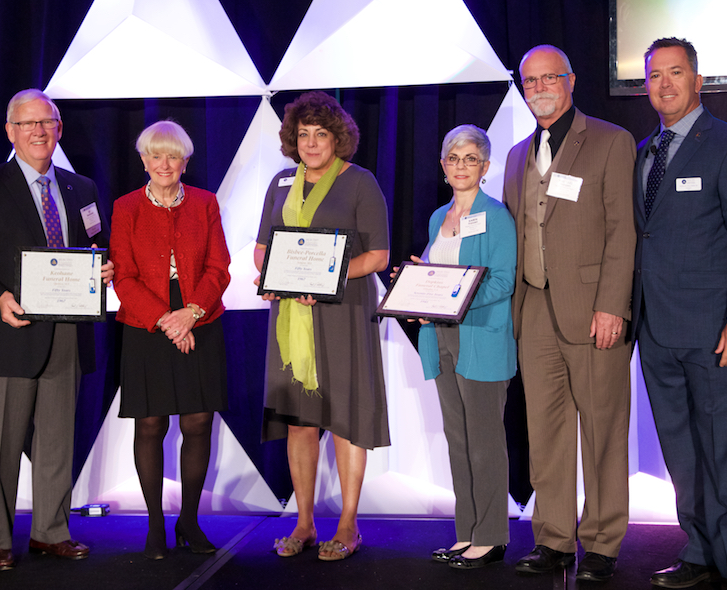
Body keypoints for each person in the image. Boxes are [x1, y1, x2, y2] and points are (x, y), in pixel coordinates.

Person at [0, 88, 114, 570]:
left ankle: (50, 532)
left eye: (47, 122)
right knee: (0, 447)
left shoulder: (83, 189)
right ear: (10, 132)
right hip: (6, 333)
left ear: (59, 129)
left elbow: (99, 247)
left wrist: (104, 269)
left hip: (67, 334)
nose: (38, 131)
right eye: (27, 123)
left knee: (58, 441)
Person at [634, 38, 727, 590]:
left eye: (676, 72)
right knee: (682, 452)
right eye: (655, 75)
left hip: (714, 329)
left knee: (723, 450)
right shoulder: (645, 150)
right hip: (655, 329)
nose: (665, 84)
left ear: (698, 79)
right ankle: (698, 551)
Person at [502, 45, 636, 582]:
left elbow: (623, 230)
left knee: (602, 429)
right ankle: (554, 538)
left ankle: (602, 543)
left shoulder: (609, 140)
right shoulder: (515, 156)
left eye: (549, 78)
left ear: (572, 80)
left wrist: (612, 306)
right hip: (533, 308)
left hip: (593, 311)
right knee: (547, 430)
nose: (539, 88)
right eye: (530, 81)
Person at [254, 91, 390, 561]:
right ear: (293, 138)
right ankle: (305, 522)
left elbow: (378, 255)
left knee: (348, 419)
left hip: (343, 315)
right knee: (300, 422)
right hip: (292, 317)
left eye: (321, 134)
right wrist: (270, 276)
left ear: (338, 138)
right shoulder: (279, 182)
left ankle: (348, 525)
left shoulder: (360, 182)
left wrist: (327, 276)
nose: (311, 143)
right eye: (304, 134)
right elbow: (261, 247)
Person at [109, 121, 230, 560]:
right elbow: (123, 275)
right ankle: (156, 525)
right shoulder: (125, 207)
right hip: (147, 322)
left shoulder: (206, 203)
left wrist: (190, 313)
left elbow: (220, 266)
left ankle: (190, 521)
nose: (164, 164)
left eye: (173, 155)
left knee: (198, 422)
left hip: (200, 315)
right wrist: (166, 320)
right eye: (155, 155)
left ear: (185, 161)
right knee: (152, 423)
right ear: (143, 160)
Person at [411, 125, 516, 569]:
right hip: (440, 338)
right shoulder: (439, 218)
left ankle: (491, 537)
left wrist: (452, 295)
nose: (461, 166)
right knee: (458, 440)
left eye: (470, 158)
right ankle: (466, 531)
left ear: (486, 167)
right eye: (453, 158)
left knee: (485, 443)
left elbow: (502, 280)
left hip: (481, 337)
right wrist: (417, 288)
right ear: (442, 165)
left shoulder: (497, 216)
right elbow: (434, 274)